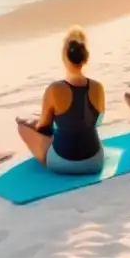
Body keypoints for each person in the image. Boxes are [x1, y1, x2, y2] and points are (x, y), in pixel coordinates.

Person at [15, 26, 105, 174]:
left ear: (64, 56)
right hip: (95, 161)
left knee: (22, 128)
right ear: (85, 56)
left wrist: (29, 123)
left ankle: (28, 126)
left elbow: (42, 127)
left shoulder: (54, 89)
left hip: (63, 162)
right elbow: (97, 122)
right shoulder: (98, 87)